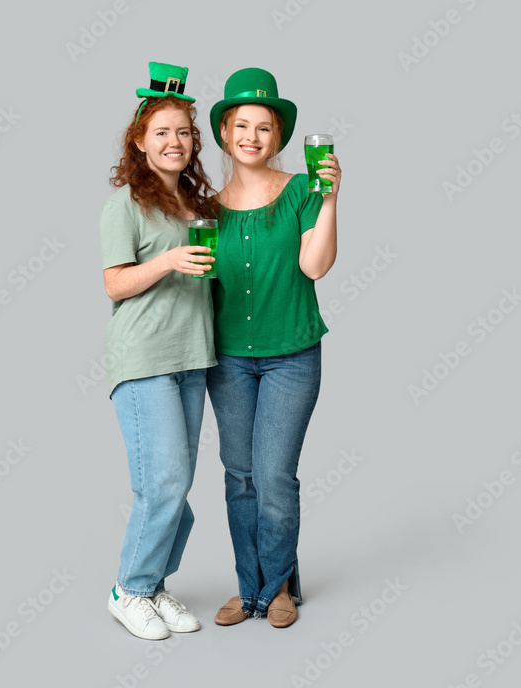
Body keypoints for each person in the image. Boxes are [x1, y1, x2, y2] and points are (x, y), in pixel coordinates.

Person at [205, 68, 342, 628]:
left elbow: (315, 265)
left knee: (275, 475)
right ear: (224, 134)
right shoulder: (206, 208)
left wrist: (330, 198)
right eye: (242, 125)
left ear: (279, 137)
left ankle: (279, 584)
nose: (252, 137)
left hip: (291, 355)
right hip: (229, 359)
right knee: (239, 474)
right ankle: (249, 588)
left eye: (264, 127)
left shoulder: (302, 191)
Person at [100, 62, 218, 640]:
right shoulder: (126, 204)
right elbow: (115, 284)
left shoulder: (196, 205)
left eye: (185, 132)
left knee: (177, 485)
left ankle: (155, 584)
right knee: (163, 482)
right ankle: (129, 589)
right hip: (145, 359)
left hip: (192, 359)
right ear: (141, 142)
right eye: (163, 132)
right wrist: (169, 260)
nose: (176, 142)